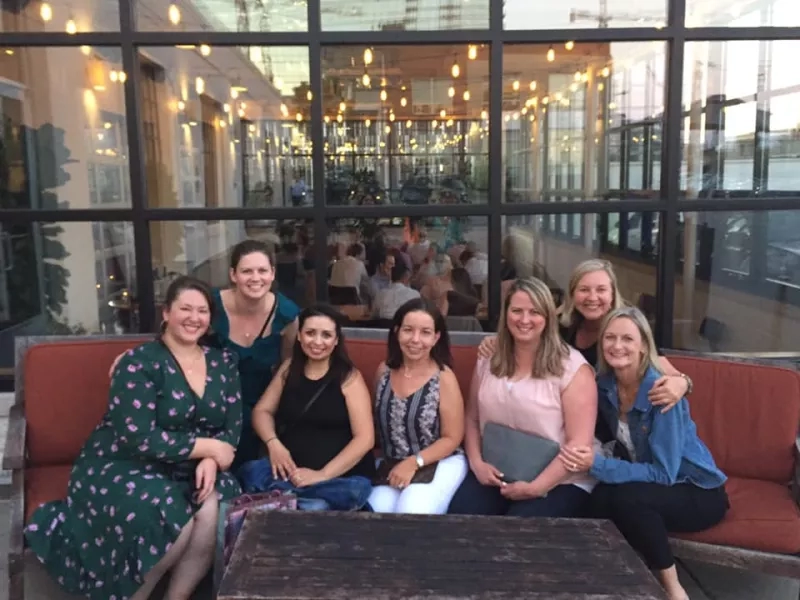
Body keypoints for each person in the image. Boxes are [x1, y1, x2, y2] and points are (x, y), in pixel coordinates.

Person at [26, 276, 242, 600]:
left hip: (190, 466)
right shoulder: (138, 363)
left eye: (202, 311)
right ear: (166, 313)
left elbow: (232, 424)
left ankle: (177, 597)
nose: (194, 317)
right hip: (125, 462)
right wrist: (208, 447)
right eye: (185, 308)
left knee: (215, 506)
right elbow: (137, 437)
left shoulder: (223, 362)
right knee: (173, 518)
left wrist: (211, 459)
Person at [559, 307, 728, 600]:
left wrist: (598, 465)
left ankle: (672, 587)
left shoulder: (661, 392)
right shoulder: (606, 386)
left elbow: (663, 474)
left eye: (627, 338)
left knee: (627, 498)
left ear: (643, 346)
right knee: (598, 498)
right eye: (610, 338)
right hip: (652, 486)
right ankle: (596, 578)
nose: (617, 345)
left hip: (697, 490)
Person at [108, 240, 299, 470]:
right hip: (211, 409)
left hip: (260, 409)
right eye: (247, 270)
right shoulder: (211, 305)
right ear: (233, 274)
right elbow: (178, 333)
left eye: (262, 270)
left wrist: (271, 428)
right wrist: (135, 357)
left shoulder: (288, 315)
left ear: (272, 274)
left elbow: (288, 370)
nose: (255, 278)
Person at [448, 277, 597, 517]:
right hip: (496, 469)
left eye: (534, 312)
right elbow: (472, 417)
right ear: (506, 314)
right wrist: (477, 465)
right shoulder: (489, 358)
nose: (524, 320)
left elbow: (578, 445)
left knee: (519, 531)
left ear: (547, 317)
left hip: (559, 480)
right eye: (517, 311)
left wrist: (537, 488)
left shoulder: (573, 369)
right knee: (462, 518)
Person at [478, 259, 691, 417]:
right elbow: (527, 331)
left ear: (612, 294)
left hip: (612, 426)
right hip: (565, 419)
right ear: (572, 294)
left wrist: (682, 383)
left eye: (601, 290)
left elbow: (664, 368)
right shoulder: (562, 326)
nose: (592, 297)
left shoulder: (626, 330)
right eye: (584, 290)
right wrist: (496, 341)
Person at [239, 304, 375, 511]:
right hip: (290, 472)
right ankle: (291, 498)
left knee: (315, 506)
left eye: (326, 335)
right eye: (310, 333)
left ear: (336, 340)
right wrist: (274, 444)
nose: (317, 342)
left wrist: (323, 475)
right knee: (248, 474)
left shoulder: (349, 378)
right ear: (300, 336)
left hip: (337, 477)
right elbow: (262, 411)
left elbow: (365, 438)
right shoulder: (289, 369)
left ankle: (292, 499)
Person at [368, 298, 467, 514]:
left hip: (440, 461)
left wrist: (414, 462)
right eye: (408, 330)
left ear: (436, 338)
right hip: (392, 462)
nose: (415, 339)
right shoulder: (383, 372)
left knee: (412, 510)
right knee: (375, 511)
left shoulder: (443, 377)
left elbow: (452, 437)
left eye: (425, 332)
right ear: (396, 332)